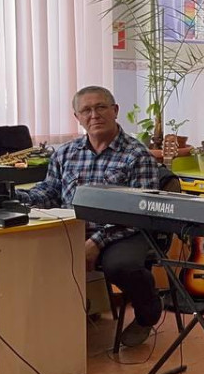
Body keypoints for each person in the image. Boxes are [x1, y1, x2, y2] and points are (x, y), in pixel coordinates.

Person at [15, 86, 163, 348]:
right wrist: (14, 197)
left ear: (115, 110)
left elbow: (138, 211)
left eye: (101, 107)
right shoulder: (65, 153)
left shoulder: (137, 155)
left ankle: (147, 311)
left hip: (124, 230)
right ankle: (48, 323)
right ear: (77, 117)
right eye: (86, 110)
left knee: (121, 266)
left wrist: (96, 242)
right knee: (26, 255)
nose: (94, 115)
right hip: (74, 228)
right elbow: (49, 192)